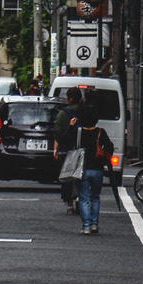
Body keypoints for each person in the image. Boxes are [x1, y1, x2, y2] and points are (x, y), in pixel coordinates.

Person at [76, 93, 113, 236]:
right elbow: (109, 147)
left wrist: (71, 126)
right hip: (97, 169)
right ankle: (94, 224)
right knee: (95, 197)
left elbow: (66, 140)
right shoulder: (100, 132)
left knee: (84, 198)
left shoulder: (78, 132)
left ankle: (85, 226)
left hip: (82, 169)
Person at [54, 85, 82, 213]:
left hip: (66, 150)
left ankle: (70, 205)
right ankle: (80, 198)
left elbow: (58, 134)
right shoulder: (86, 111)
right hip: (83, 149)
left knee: (67, 177)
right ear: (80, 99)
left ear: (69, 99)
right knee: (81, 176)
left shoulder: (63, 113)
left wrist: (56, 149)